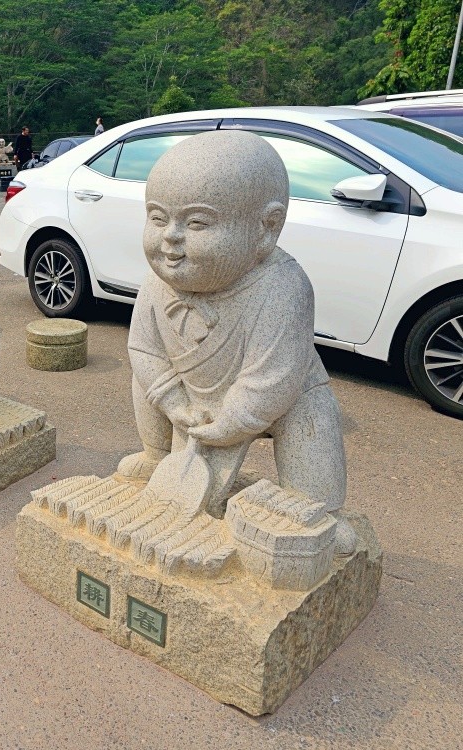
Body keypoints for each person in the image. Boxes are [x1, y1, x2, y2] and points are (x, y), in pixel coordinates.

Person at [114, 129, 353, 551]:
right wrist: (173, 402)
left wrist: (231, 424)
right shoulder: (155, 284)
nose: (171, 236)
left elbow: (273, 379)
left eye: (197, 222)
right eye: (157, 217)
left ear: (266, 228)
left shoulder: (283, 288)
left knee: (309, 411)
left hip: (272, 401)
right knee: (146, 378)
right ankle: (156, 455)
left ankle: (318, 507)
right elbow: (143, 348)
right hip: (187, 393)